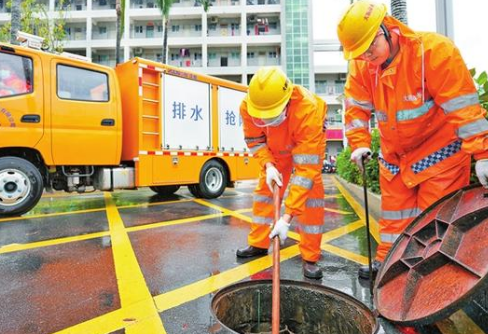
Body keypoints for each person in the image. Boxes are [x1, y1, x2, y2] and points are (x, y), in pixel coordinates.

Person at [336, 1, 488, 280]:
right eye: (359, 53)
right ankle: (389, 268)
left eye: (370, 47)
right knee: (394, 224)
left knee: (435, 227)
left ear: (387, 28)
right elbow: (356, 109)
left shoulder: (432, 52)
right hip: (395, 161)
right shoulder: (362, 66)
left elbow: (463, 107)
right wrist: (358, 142)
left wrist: (482, 153)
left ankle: (431, 284)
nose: (367, 56)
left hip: (439, 157)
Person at [236, 66, 328, 279]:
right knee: (265, 192)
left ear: (287, 102)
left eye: (271, 116)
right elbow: (255, 140)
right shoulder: (248, 106)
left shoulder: (308, 110)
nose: (266, 122)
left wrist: (286, 219)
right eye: (262, 117)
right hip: (275, 150)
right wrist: (268, 166)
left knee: (311, 196)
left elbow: (306, 171)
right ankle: (258, 244)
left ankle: (310, 257)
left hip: (304, 142)